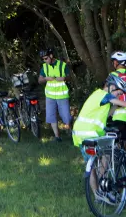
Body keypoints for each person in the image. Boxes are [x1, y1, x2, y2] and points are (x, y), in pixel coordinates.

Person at [72, 74, 126, 203]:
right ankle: (104, 184)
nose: (119, 94)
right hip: (91, 133)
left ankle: (98, 196)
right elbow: (122, 103)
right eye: (119, 91)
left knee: (91, 167)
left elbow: (108, 113)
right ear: (112, 87)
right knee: (107, 156)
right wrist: (120, 102)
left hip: (79, 134)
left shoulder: (97, 97)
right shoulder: (104, 94)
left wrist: (116, 106)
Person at [38, 47, 71, 142]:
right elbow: (39, 80)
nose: (44, 60)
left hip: (62, 95)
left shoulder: (62, 65)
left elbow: (70, 77)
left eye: (45, 58)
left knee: (66, 116)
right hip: (50, 96)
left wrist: (64, 78)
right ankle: (57, 137)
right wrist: (45, 79)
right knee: (51, 116)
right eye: (43, 59)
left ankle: (71, 131)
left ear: (51, 56)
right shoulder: (44, 67)